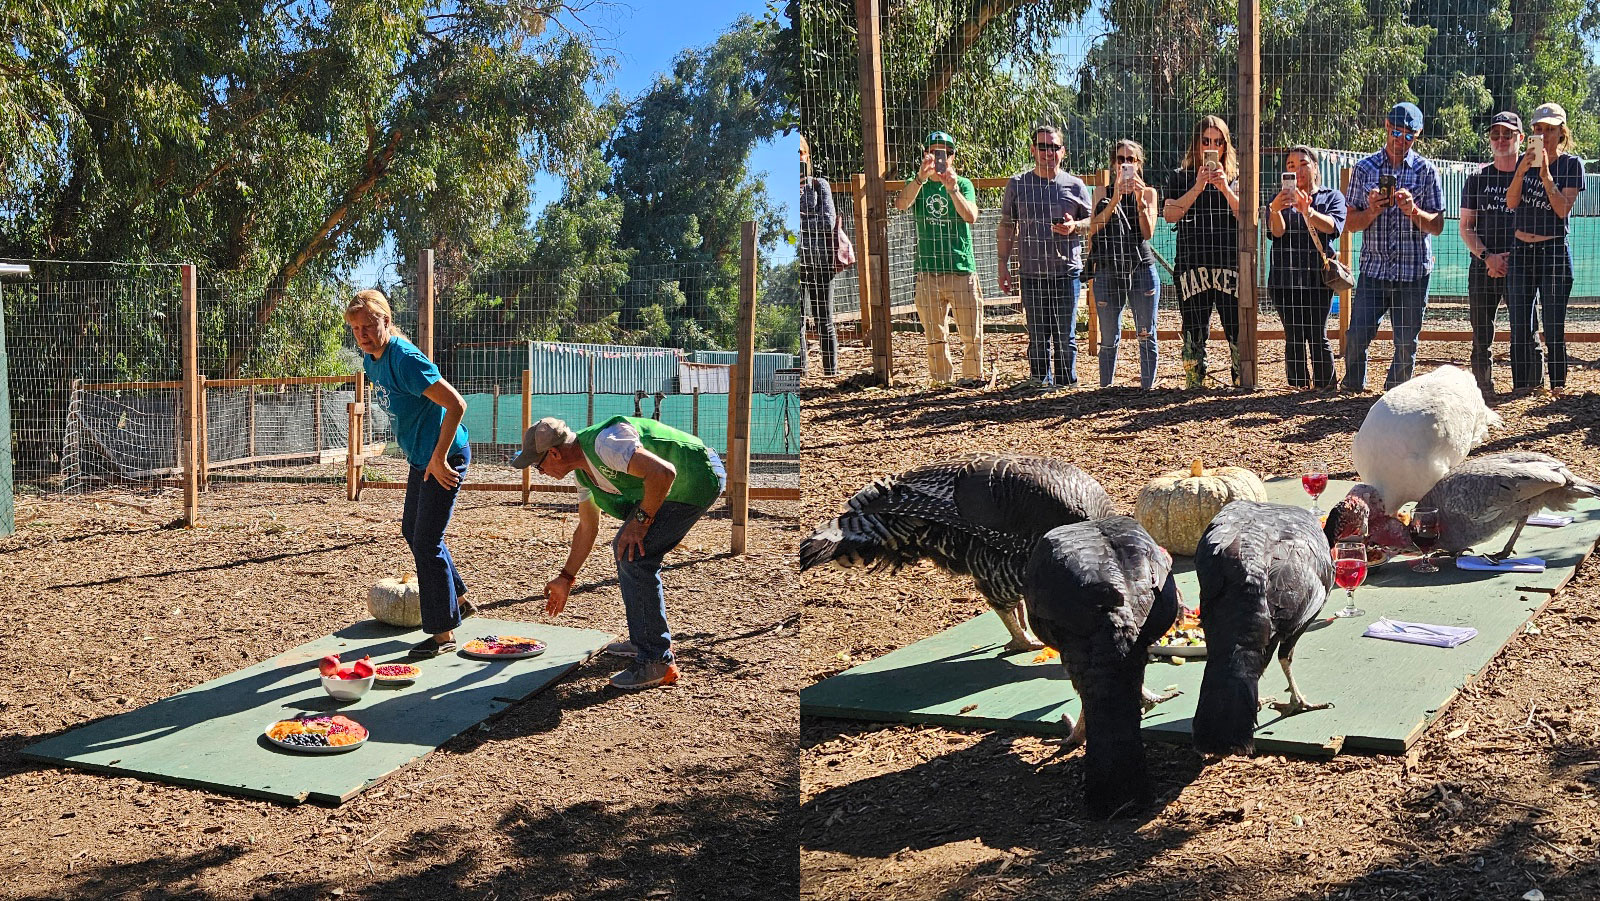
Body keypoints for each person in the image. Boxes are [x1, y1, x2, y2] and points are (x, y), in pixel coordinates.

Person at [512, 415, 726, 690]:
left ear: (554, 453)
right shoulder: (582, 473)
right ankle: (645, 642)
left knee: (634, 554)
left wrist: (640, 522)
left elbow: (663, 473)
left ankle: (656, 660)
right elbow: (587, 527)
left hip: (695, 477)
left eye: (537, 465)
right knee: (629, 551)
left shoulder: (606, 444)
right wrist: (566, 577)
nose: (539, 472)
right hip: (671, 487)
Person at [345, 290, 472, 658]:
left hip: (444, 456)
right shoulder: (371, 359)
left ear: (387, 321)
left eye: (369, 326)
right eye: (355, 328)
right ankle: (458, 599)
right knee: (412, 531)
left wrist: (439, 457)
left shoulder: (406, 360)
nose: (363, 334)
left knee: (427, 540)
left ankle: (443, 633)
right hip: (422, 456)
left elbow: (456, 404)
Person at [1340, 102, 1445, 392]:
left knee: (1405, 343)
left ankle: (1396, 397)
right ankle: (1352, 389)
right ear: (1386, 126)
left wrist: (1414, 211)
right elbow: (1350, 223)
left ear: (1418, 135)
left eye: (1408, 135)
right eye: (1396, 133)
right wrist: (1372, 210)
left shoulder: (1426, 171)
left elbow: (1437, 225)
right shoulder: (1364, 169)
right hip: (1374, 271)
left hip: (1413, 273)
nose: (1401, 141)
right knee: (1357, 335)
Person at [997, 125, 1094, 388]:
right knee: (1038, 334)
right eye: (1042, 146)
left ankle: (1065, 384)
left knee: (1066, 335)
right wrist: (1002, 264)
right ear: (1032, 149)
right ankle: (1039, 381)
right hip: (1031, 272)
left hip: (1066, 272)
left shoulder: (1075, 185)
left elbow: (1093, 221)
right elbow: (1007, 225)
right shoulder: (1018, 184)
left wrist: (1076, 226)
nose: (1047, 152)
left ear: (1063, 151)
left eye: (1053, 147)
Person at [893, 131, 985, 387]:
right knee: (935, 335)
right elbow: (901, 204)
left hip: (961, 269)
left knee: (971, 333)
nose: (940, 157)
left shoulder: (963, 184)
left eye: (945, 152)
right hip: (928, 271)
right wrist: (920, 179)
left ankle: (972, 378)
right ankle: (941, 381)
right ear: (926, 155)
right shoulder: (919, 184)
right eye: (934, 152)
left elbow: (971, 217)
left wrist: (952, 189)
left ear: (953, 157)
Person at [1506, 102, 1585, 396]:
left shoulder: (1571, 165)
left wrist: (1546, 177)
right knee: (1519, 323)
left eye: (1550, 130)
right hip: (1521, 250)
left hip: (1553, 251)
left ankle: (1558, 387)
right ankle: (1523, 386)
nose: (1544, 135)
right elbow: (1512, 203)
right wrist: (1520, 172)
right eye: (1538, 129)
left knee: (1554, 325)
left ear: (1561, 133)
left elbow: (1563, 209)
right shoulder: (1523, 162)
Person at [1163, 115, 1242, 389]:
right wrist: (1198, 187)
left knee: (1236, 327)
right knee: (1194, 328)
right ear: (1196, 144)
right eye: (1206, 141)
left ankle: (1241, 380)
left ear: (1225, 146)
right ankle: (1194, 382)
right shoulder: (1181, 177)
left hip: (1229, 263)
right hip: (1192, 263)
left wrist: (1223, 188)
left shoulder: (1236, 177)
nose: (1212, 147)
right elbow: (1169, 214)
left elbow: (1247, 216)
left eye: (1218, 142)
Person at [1267, 146, 1348, 389]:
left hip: (1317, 279)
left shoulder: (1331, 197)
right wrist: (1274, 210)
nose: (1297, 170)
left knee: (1316, 334)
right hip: (1284, 277)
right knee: (1293, 336)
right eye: (1291, 166)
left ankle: (1325, 386)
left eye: (1303, 164)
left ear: (1315, 168)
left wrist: (1308, 211)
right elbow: (1276, 232)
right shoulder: (1279, 198)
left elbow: (1333, 226)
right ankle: (1297, 387)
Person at [1086, 139, 1161, 388]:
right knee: (1108, 336)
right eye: (1121, 160)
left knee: (1146, 332)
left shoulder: (1149, 192)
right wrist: (1116, 197)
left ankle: (1147, 389)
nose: (1125, 164)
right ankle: (1105, 389)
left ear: (1139, 164)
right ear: (1114, 163)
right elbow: (1094, 229)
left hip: (1141, 267)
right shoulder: (1101, 192)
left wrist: (1139, 200)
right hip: (1108, 269)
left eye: (1131, 160)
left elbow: (1148, 232)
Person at [1459, 111, 1524, 395]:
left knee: (1524, 330)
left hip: (1521, 265)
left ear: (1520, 138)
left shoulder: (1532, 175)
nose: (1501, 139)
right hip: (1483, 265)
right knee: (1481, 333)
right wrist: (1488, 257)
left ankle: (1526, 388)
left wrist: (1511, 258)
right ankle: (1482, 389)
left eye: (1507, 134)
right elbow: (1466, 226)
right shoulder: (1477, 178)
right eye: (1495, 134)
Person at [799, 135, 840, 377]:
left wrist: (801, 223)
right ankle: (801, 374)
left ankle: (830, 374)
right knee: (799, 324)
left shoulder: (819, 185)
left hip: (822, 263)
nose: (797, 158)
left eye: (800, 153)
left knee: (825, 320)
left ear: (807, 156)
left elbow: (829, 221)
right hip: (798, 267)